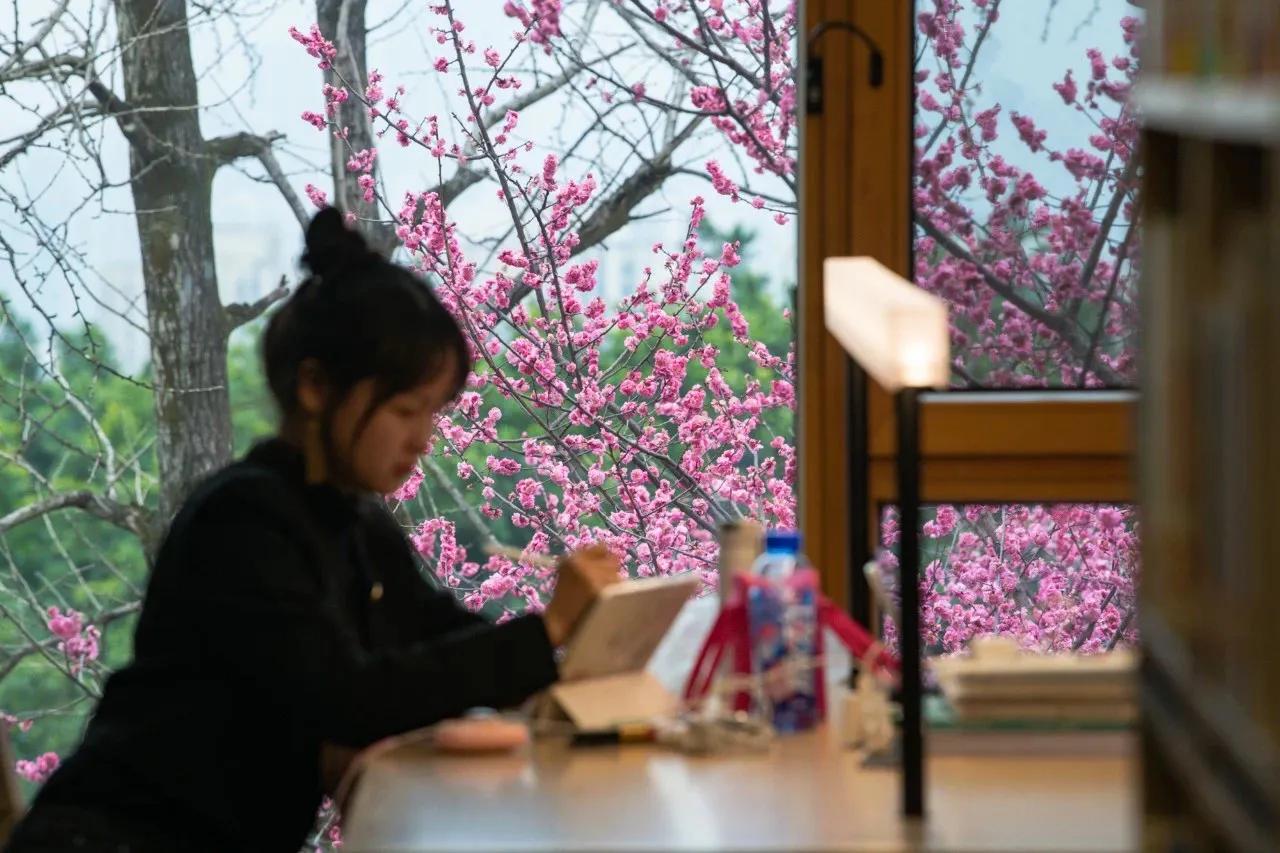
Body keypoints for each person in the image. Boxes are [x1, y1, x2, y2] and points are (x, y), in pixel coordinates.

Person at [4, 208, 619, 853]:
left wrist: (570, 649)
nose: (421, 439)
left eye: (431, 414)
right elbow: (349, 698)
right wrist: (546, 630)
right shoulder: (243, 523)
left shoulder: (350, 520)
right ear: (316, 387)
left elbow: (437, 632)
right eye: (405, 410)